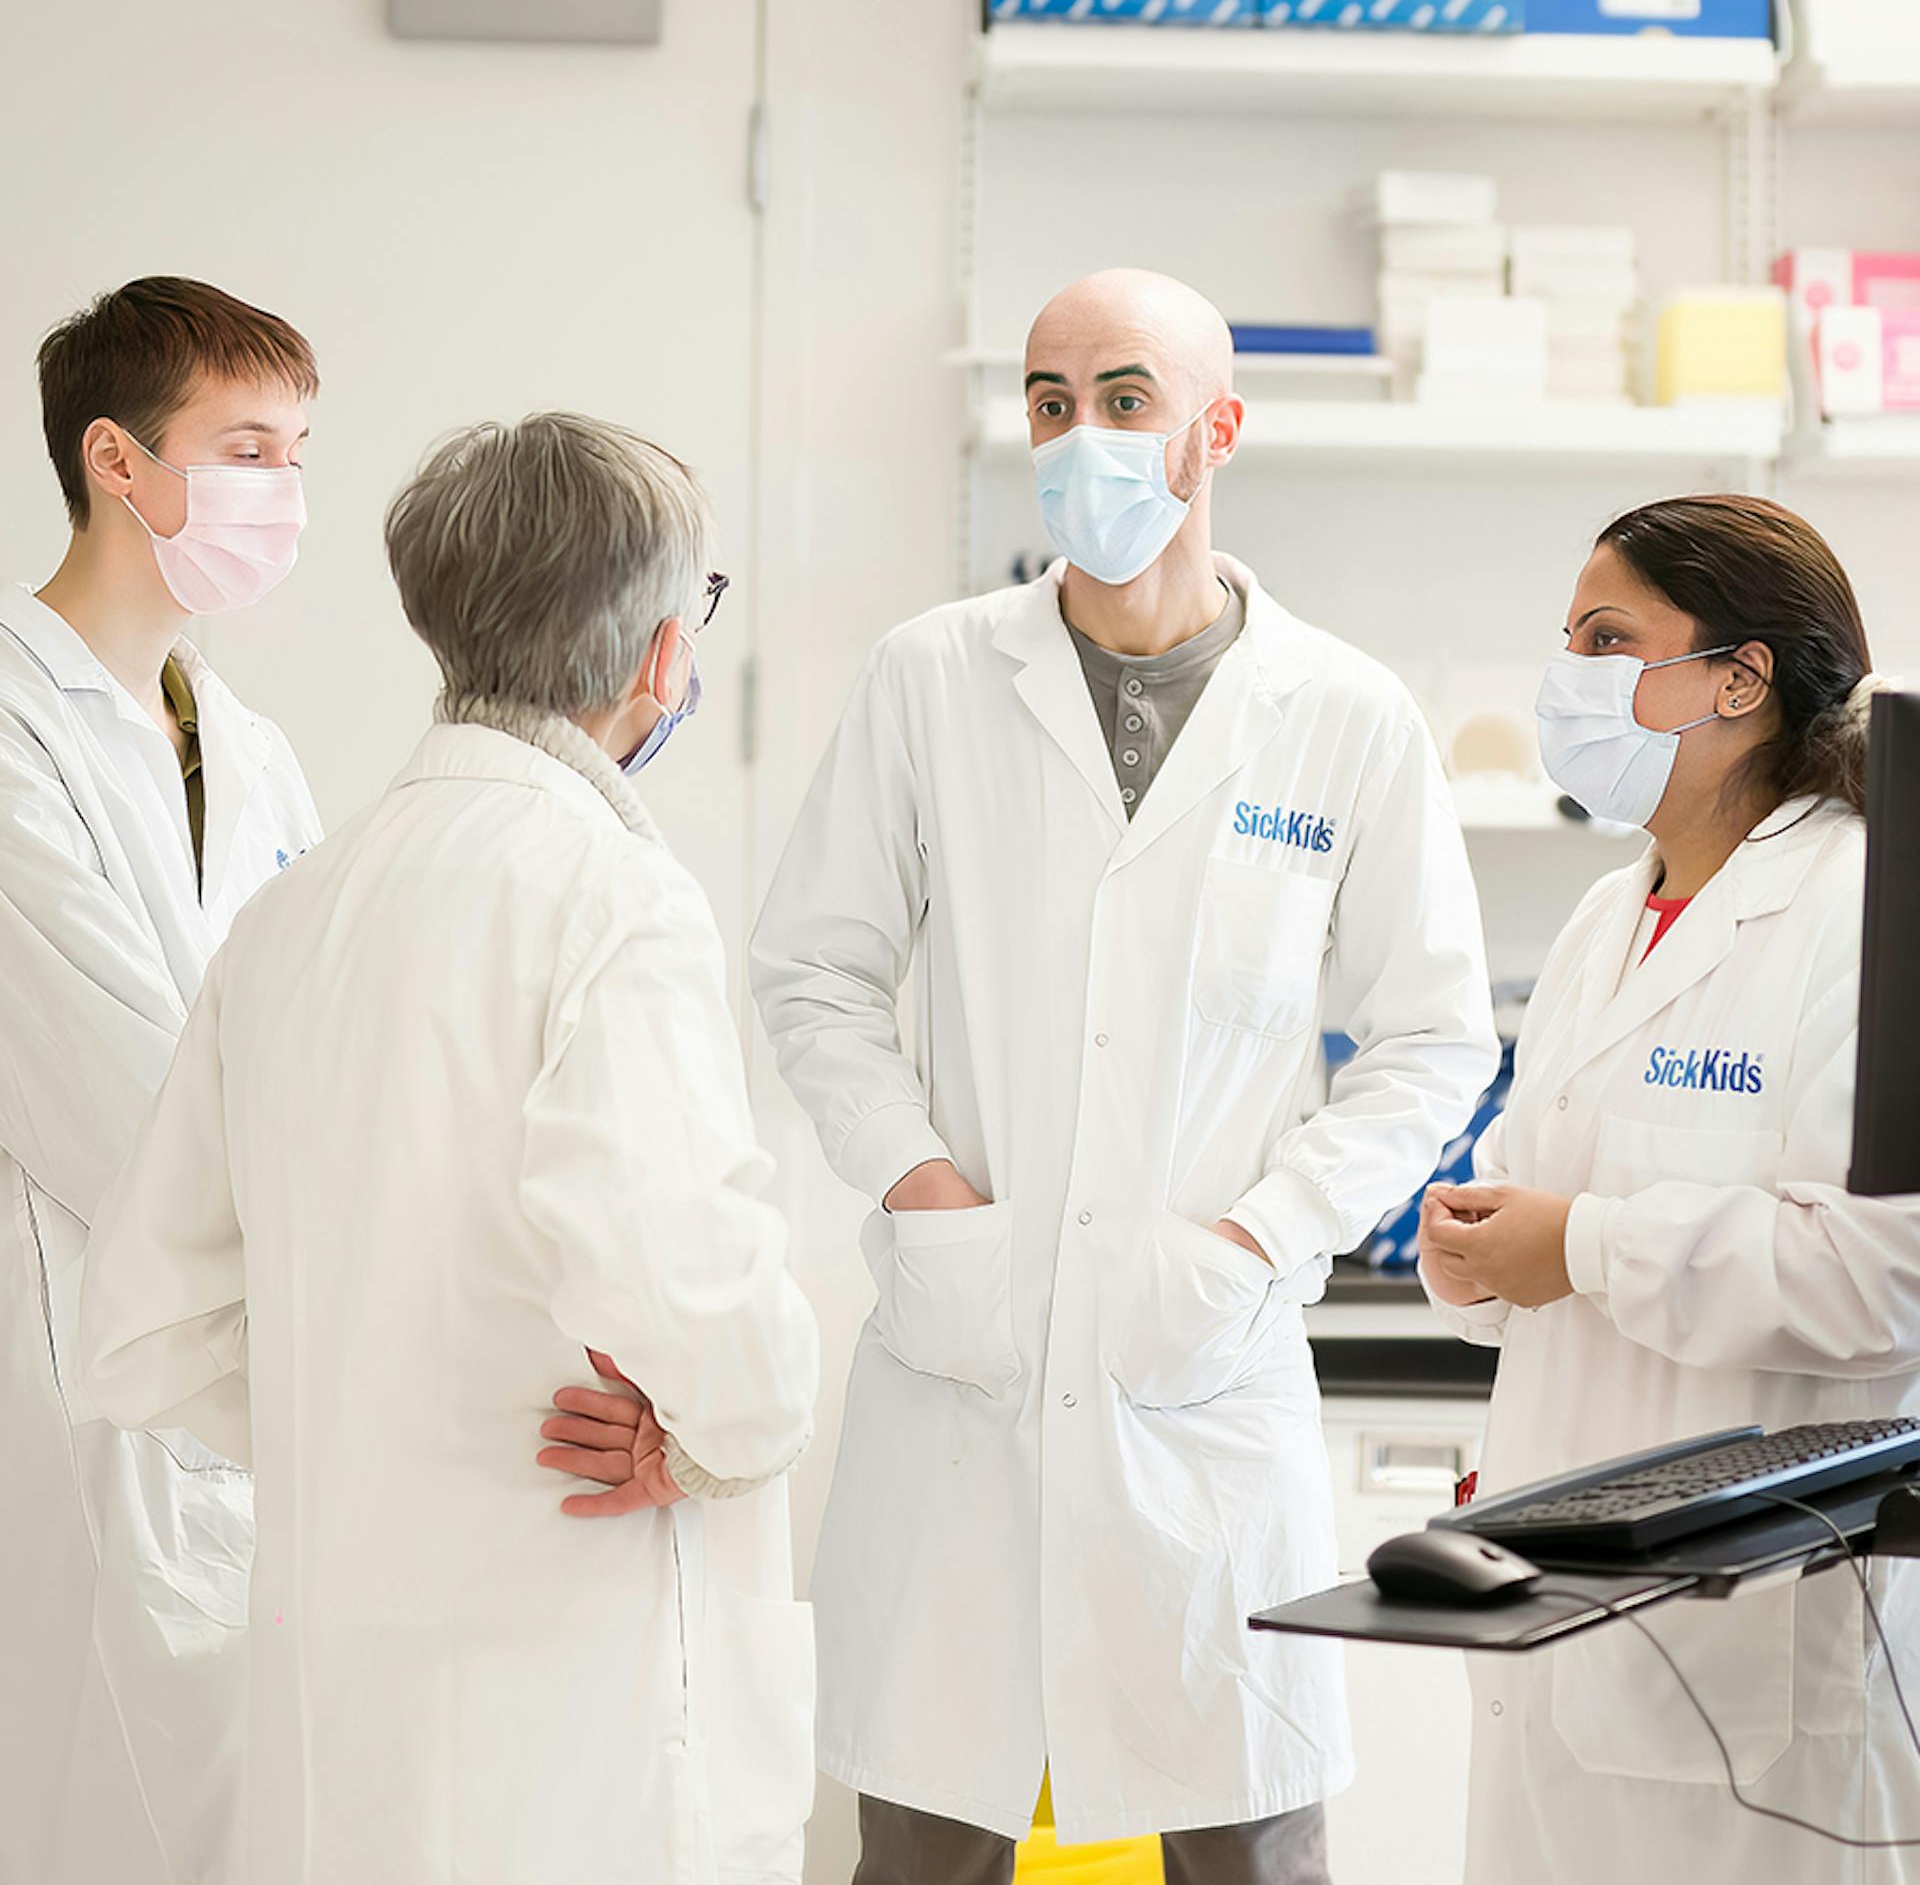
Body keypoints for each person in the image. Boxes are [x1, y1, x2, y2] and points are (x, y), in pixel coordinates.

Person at [750, 269, 1500, 1880]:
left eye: (1124, 397)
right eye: (1048, 399)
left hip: (1201, 1373)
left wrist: (1257, 1238)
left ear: (1215, 429)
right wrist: (923, 1182)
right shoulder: (930, 678)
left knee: (1248, 1845)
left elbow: (1435, 1036)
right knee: (924, 1849)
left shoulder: (1347, 718)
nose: (1078, 431)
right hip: (971, 1364)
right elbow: (811, 967)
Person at [80, 413, 822, 1885]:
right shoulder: (609, 897)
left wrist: (353, 1403)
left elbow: (148, 1329)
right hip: (566, 1677)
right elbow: (701, 1294)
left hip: (343, 1683)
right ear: (661, 656)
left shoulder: (299, 912)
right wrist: (723, 1437)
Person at [1418, 494, 1920, 1881]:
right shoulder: (1604, 913)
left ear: (1740, 676)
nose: (1566, 674)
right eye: (1566, 636)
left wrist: (1581, 1248)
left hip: (1749, 1661)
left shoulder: (1867, 911)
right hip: (1545, 1604)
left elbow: (1885, 1280)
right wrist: (1472, 1250)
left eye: (1608, 636)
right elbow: (1531, 1183)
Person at [0, 276, 322, 1884]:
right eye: (249, 448)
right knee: (99, 1810)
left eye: (299, 453)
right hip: (82, 1362)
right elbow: (125, 1097)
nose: (288, 494)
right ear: (117, 461)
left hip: (237, 1368)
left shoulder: (247, 746)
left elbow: (331, 1032)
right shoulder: (9, 725)